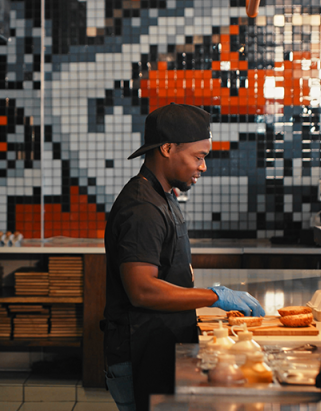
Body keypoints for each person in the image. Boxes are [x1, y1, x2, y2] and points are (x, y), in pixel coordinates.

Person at [103, 103, 265, 411]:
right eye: (199, 156)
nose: (203, 166)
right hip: (140, 354)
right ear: (167, 148)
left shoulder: (161, 195)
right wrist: (212, 296)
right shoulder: (142, 208)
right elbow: (142, 290)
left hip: (158, 348)